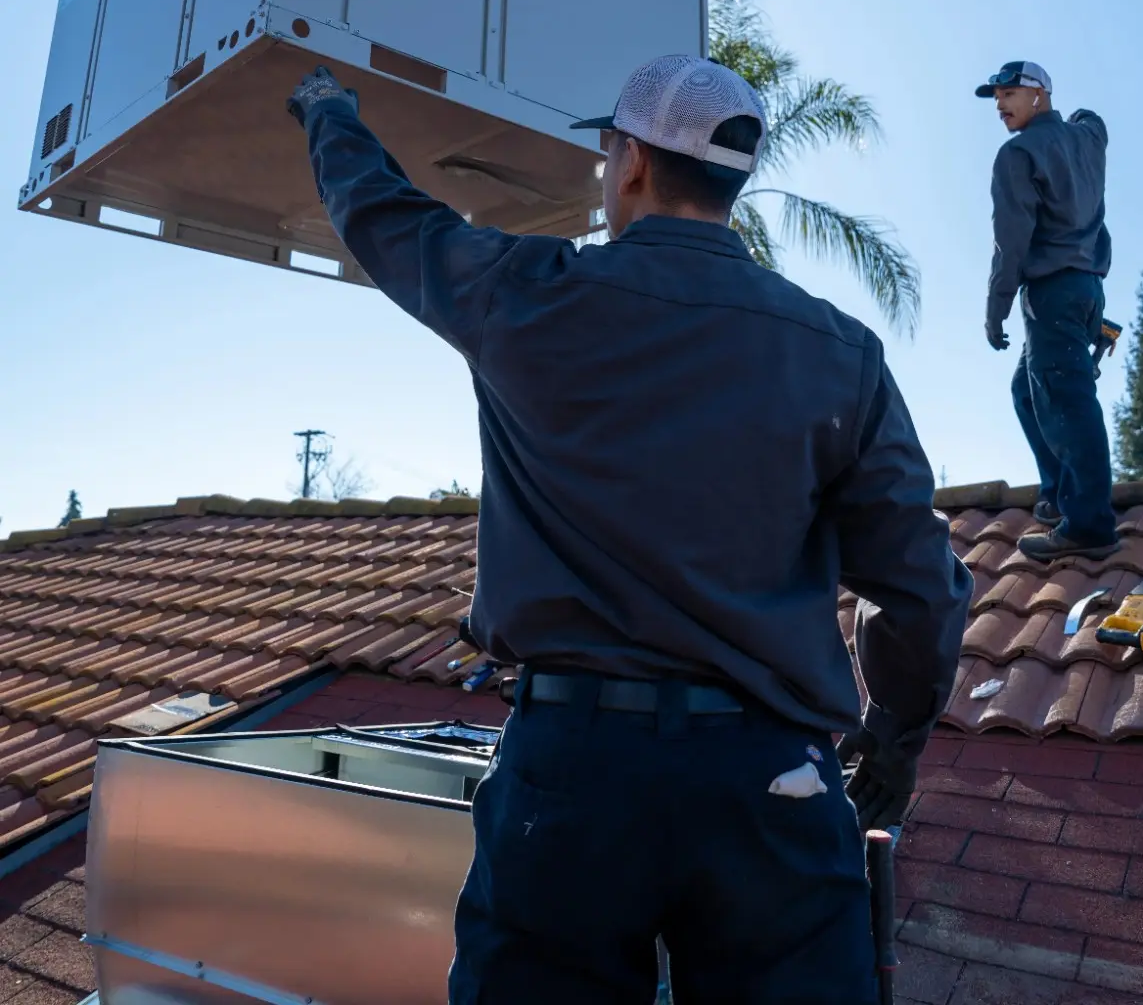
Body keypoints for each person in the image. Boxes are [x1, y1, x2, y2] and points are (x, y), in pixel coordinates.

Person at [290, 53, 971, 1005]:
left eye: (606, 152)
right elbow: (920, 589)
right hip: (774, 782)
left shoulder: (528, 292)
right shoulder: (837, 352)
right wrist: (892, 745)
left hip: (572, 776)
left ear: (633, 161)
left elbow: (387, 219)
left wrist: (327, 111)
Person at [976, 60, 1119, 562]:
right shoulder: (1088, 139)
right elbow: (1093, 119)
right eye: (996, 96)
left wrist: (996, 310)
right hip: (1088, 293)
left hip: (1051, 293)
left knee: (1067, 399)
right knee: (1027, 390)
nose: (999, 105)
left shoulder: (1016, 155)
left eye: (1009, 93)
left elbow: (1009, 243)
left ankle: (1088, 522)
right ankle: (1062, 495)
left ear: (1039, 94)